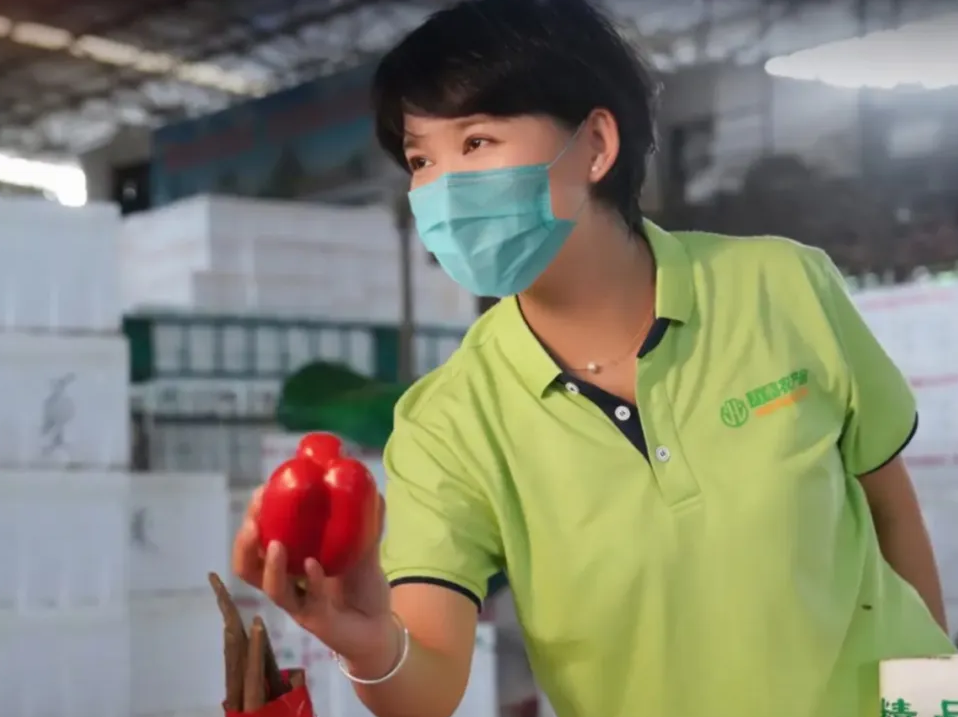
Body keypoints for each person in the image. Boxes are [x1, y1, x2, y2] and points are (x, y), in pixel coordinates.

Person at [232, 1, 956, 715]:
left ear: (596, 144)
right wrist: (367, 643)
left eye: (476, 142)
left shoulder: (783, 287)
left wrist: (933, 699)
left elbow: (888, 508)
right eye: (421, 159)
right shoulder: (447, 422)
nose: (443, 187)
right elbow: (431, 681)